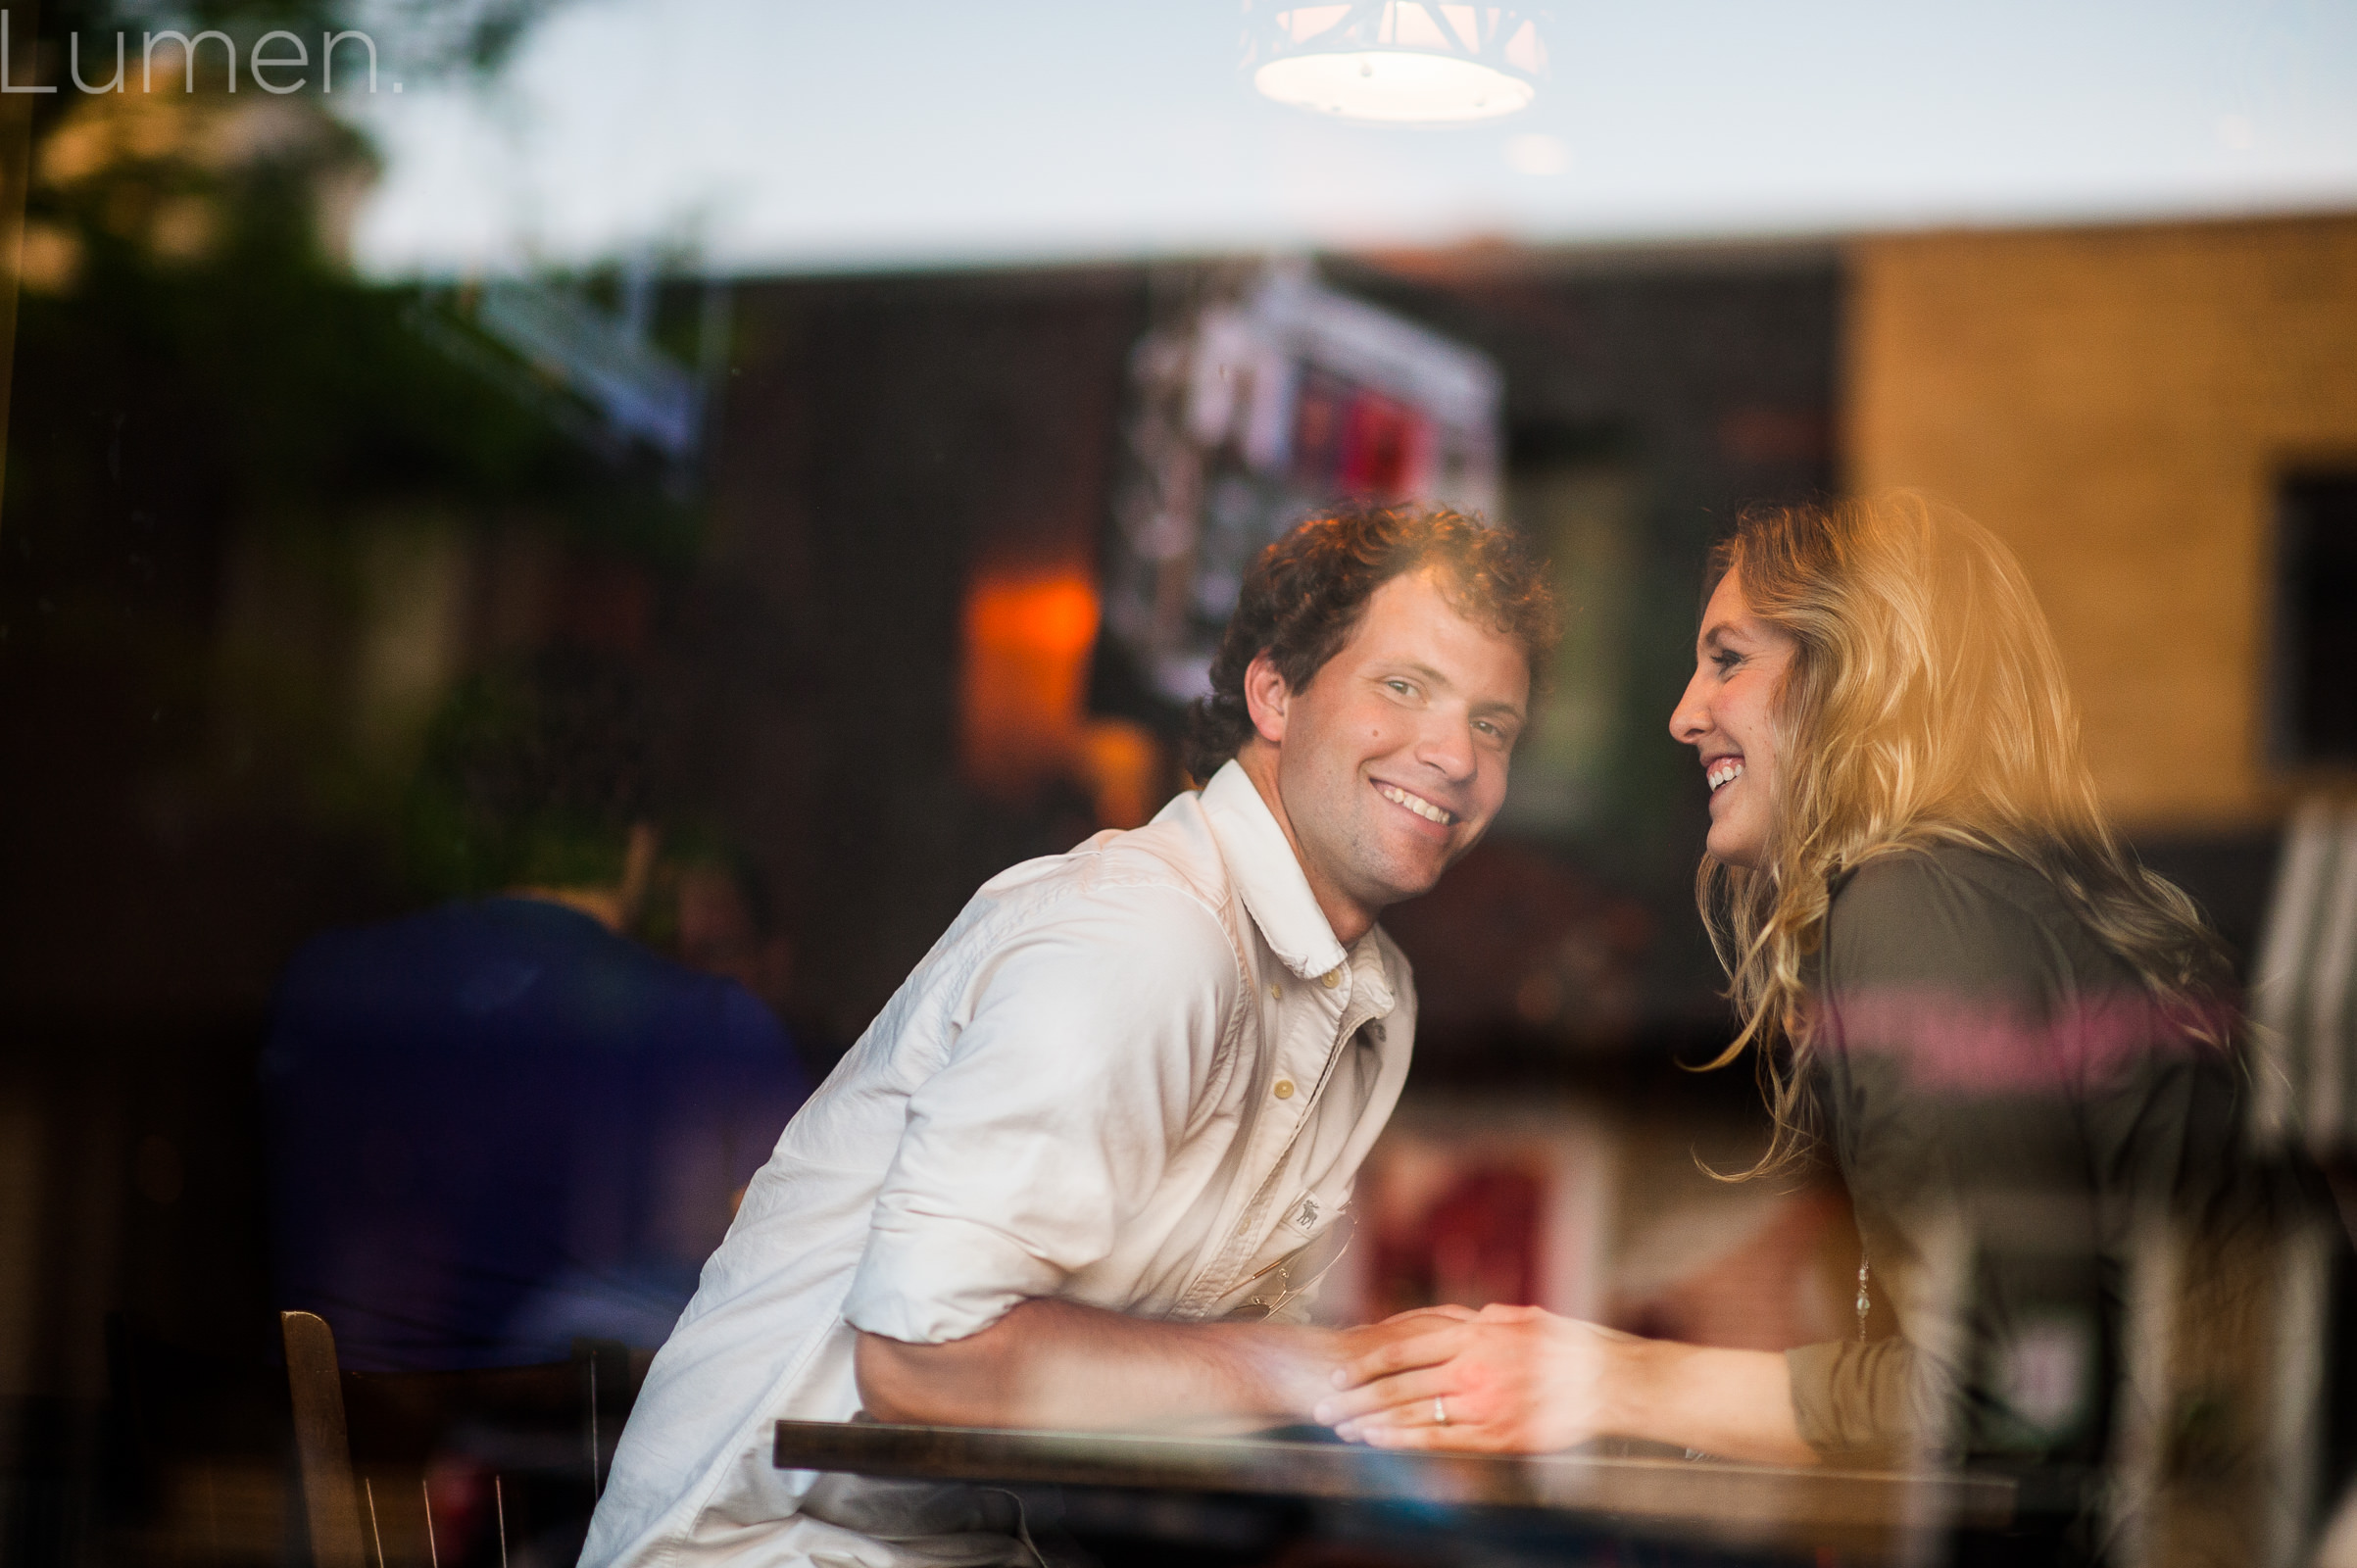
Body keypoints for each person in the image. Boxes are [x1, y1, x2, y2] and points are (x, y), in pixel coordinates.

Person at [1317, 495, 2329, 1557]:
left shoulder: (1913, 910)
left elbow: (2008, 1393)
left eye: (1726, 659)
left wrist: (1604, 1376)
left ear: (1855, 677)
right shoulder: (1978, 900)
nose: (1683, 713)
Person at [580, 505, 1557, 1568]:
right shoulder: (1144, 936)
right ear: (1273, 693)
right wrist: (1315, 1371)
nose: (1453, 754)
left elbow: (1186, 1387)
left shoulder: (1374, 1002)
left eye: (1492, 723)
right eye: (1403, 686)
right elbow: (921, 1359)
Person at [263, 652, 813, 1370]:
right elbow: (776, 1291)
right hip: (581, 1465)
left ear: (474, 821)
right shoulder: (714, 1028)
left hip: (352, 1456)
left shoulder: (330, 986)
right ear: (637, 832)